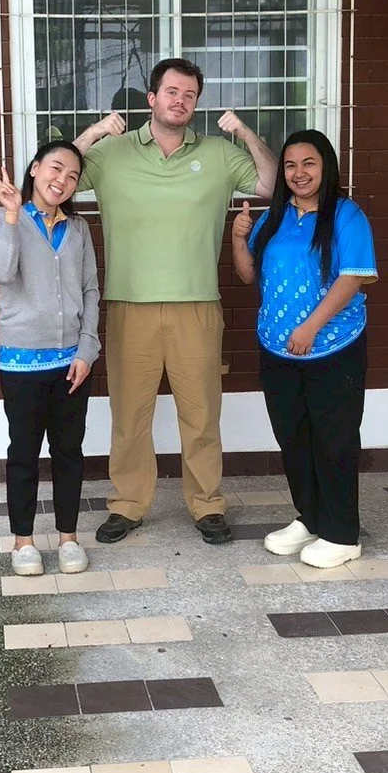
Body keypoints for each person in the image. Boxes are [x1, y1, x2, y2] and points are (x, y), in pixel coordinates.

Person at [73, 58, 276, 546]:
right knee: (129, 414)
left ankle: (207, 505)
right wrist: (97, 130)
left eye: (189, 95)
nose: (179, 101)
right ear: (151, 98)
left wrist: (247, 134)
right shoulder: (112, 153)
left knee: (202, 413)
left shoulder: (220, 155)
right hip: (129, 304)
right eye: (171, 92)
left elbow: (271, 184)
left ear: (196, 104)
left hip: (197, 305)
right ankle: (127, 504)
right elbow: (53, 178)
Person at [231, 130, 378, 570]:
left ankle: (341, 533)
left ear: (326, 166)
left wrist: (312, 327)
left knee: (333, 439)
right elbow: (247, 275)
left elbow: (352, 277)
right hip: (277, 350)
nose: (298, 173)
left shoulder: (347, 216)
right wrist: (239, 239)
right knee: (293, 438)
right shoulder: (275, 217)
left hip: (332, 347)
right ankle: (310, 518)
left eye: (308, 163)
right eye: (291, 165)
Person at [0, 140, 100, 577]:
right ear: (35, 169)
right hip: (21, 362)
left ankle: (69, 538)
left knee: (69, 451)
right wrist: (13, 214)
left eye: (72, 176)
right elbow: (1, 271)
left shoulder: (79, 229)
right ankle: (24, 541)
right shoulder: (2, 219)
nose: (62, 181)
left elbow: (90, 291)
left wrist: (88, 349)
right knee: (24, 453)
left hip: (73, 362)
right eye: (55, 169)